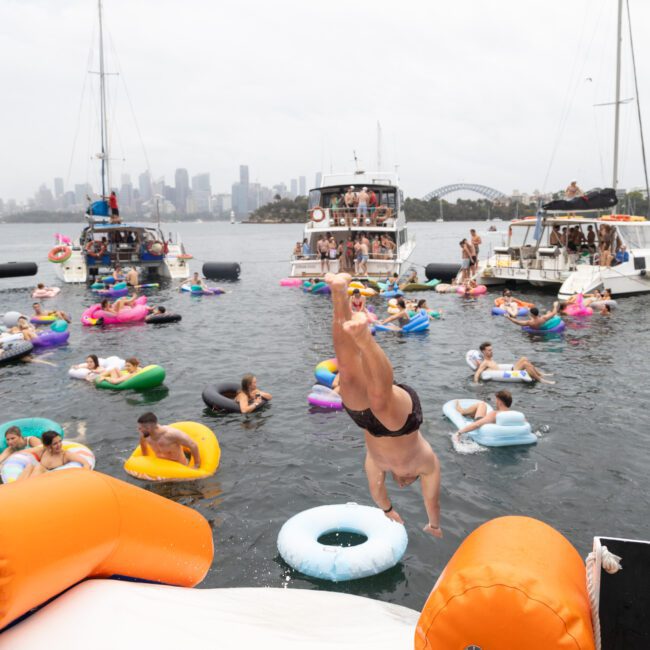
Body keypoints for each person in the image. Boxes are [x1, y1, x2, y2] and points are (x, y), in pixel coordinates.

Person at [324, 272, 442, 538]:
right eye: (409, 483)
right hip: (404, 420)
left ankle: (339, 292)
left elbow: (377, 491)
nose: (403, 485)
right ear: (414, 479)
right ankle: (365, 338)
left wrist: (388, 509)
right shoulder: (426, 465)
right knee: (381, 400)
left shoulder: (377, 465)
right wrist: (434, 524)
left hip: (367, 422)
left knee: (347, 369)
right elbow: (432, 499)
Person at [18, 431, 91, 480]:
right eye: (55, 444)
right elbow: (23, 452)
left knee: (39, 467)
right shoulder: (43, 451)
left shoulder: (65, 455)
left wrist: (83, 477)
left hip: (54, 480)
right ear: (48, 446)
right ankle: (16, 487)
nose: (59, 445)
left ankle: (25, 488)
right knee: (29, 466)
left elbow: (86, 463)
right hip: (38, 479)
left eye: (59, 442)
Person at [136, 412, 201, 468]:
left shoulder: (172, 435)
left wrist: (196, 465)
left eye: (140, 428)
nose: (138, 430)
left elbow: (193, 445)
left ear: (148, 428)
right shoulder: (145, 435)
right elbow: (143, 444)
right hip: (161, 467)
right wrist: (145, 458)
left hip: (180, 468)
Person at [473, 341, 554, 384]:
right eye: (489, 350)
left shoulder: (490, 359)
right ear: (484, 351)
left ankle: (540, 374)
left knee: (524, 358)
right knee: (525, 364)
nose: (491, 352)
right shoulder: (485, 362)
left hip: (508, 372)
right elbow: (477, 373)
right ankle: (541, 380)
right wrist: (476, 383)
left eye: (491, 350)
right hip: (508, 374)